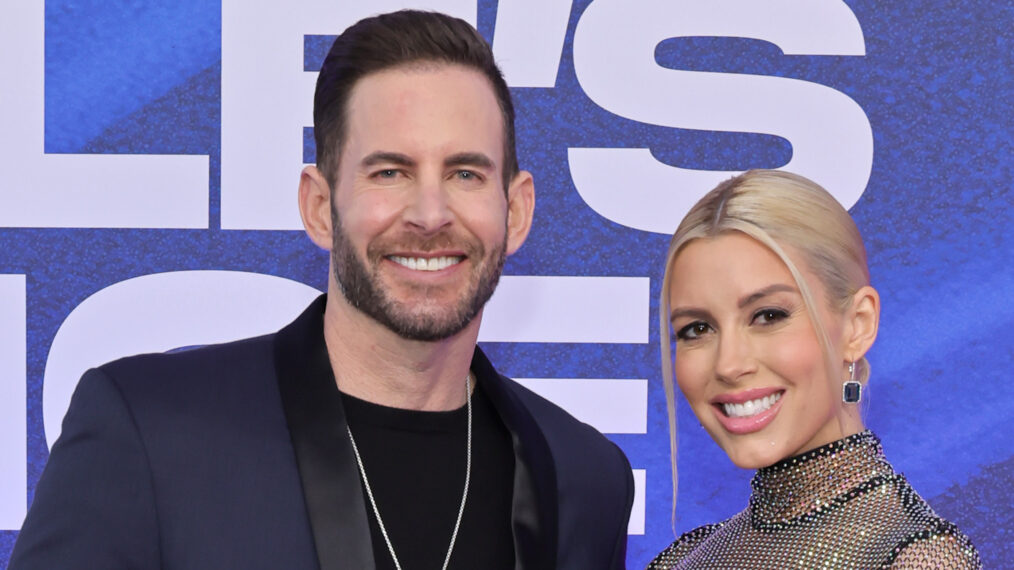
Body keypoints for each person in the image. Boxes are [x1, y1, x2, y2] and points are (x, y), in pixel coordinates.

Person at [10, 10, 633, 570]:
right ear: (318, 206)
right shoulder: (147, 431)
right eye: (389, 171)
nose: (430, 213)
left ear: (516, 211)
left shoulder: (585, 478)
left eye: (465, 172)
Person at [647, 170, 981, 569]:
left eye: (768, 315)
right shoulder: (683, 558)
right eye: (697, 328)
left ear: (858, 325)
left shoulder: (914, 559)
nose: (729, 365)